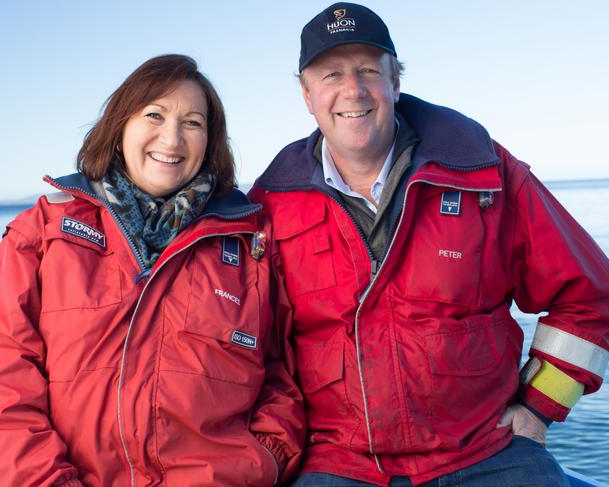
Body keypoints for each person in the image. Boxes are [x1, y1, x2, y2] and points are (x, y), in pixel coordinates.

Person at [249, 3, 609, 486]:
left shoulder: (485, 174)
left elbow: (589, 296)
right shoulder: (270, 204)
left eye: (369, 71)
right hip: (339, 460)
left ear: (395, 82)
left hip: (486, 450)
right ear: (307, 95)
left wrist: (538, 408)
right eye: (331, 74)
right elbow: (249, 345)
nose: (352, 90)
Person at [0, 54, 304, 486]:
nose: (172, 138)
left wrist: (263, 459)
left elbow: (282, 375)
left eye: (193, 123)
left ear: (210, 141)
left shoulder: (247, 246)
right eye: (154, 115)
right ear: (120, 124)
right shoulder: (45, 233)